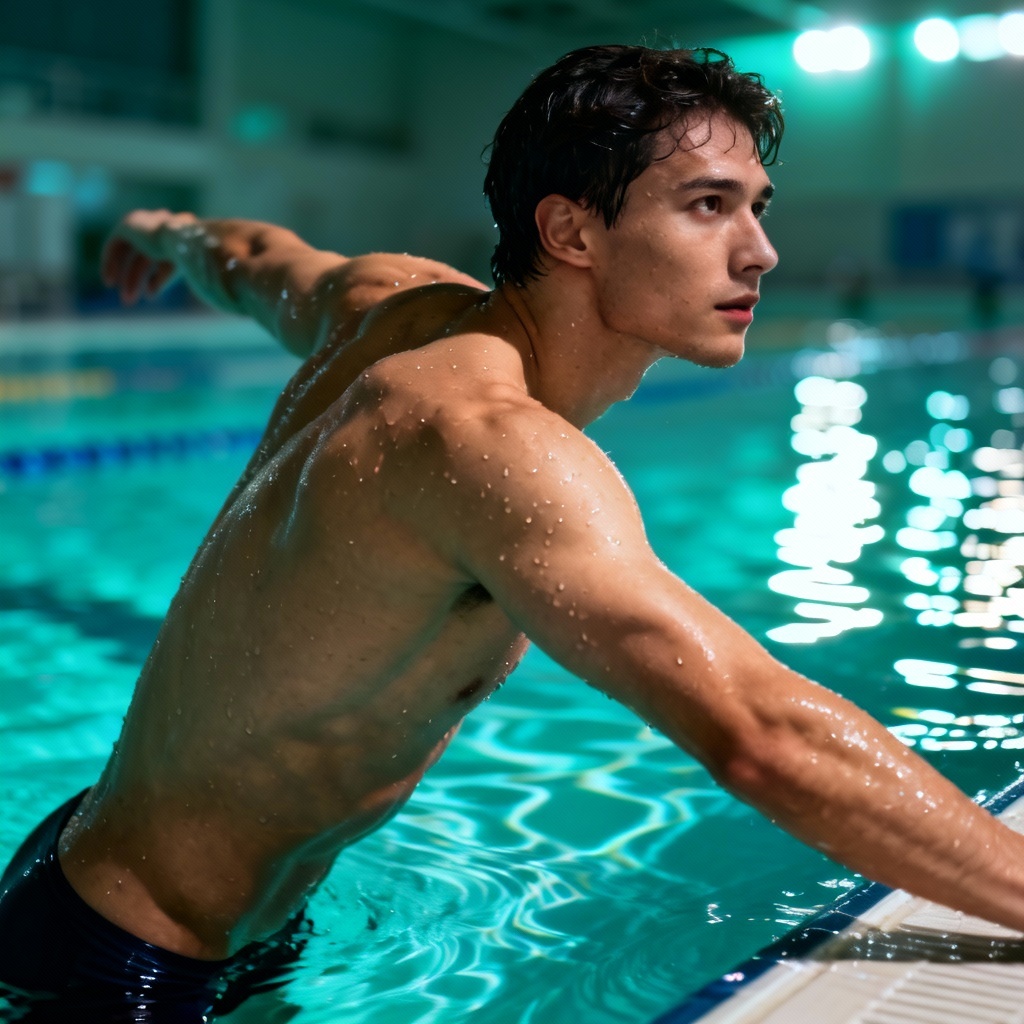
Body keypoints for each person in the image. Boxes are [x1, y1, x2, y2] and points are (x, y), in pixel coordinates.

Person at [2, 42, 1024, 1020]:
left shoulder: (390, 304)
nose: (759, 250)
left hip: (166, 889)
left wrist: (161, 231)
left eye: (755, 208)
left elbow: (254, 256)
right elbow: (762, 735)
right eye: (707, 207)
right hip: (124, 958)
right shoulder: (491, 448)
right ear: (573, 233)